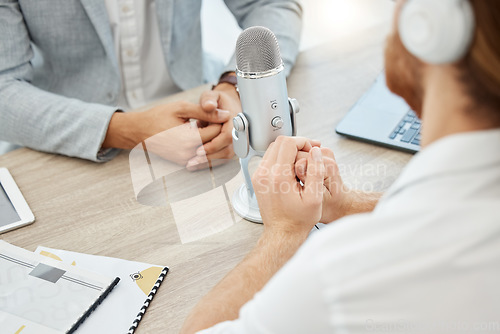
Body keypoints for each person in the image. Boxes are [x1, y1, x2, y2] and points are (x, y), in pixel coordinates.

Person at [181, 0, 500, 332]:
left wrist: (284, 233)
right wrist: (348, 205)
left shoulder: (339, 278)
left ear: (428, 24)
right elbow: (442, 212)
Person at [0, 1, 302, 170]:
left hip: (206, 118)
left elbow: (272, 5)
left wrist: (235, 86)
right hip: (69, 142)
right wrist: (124, 129)